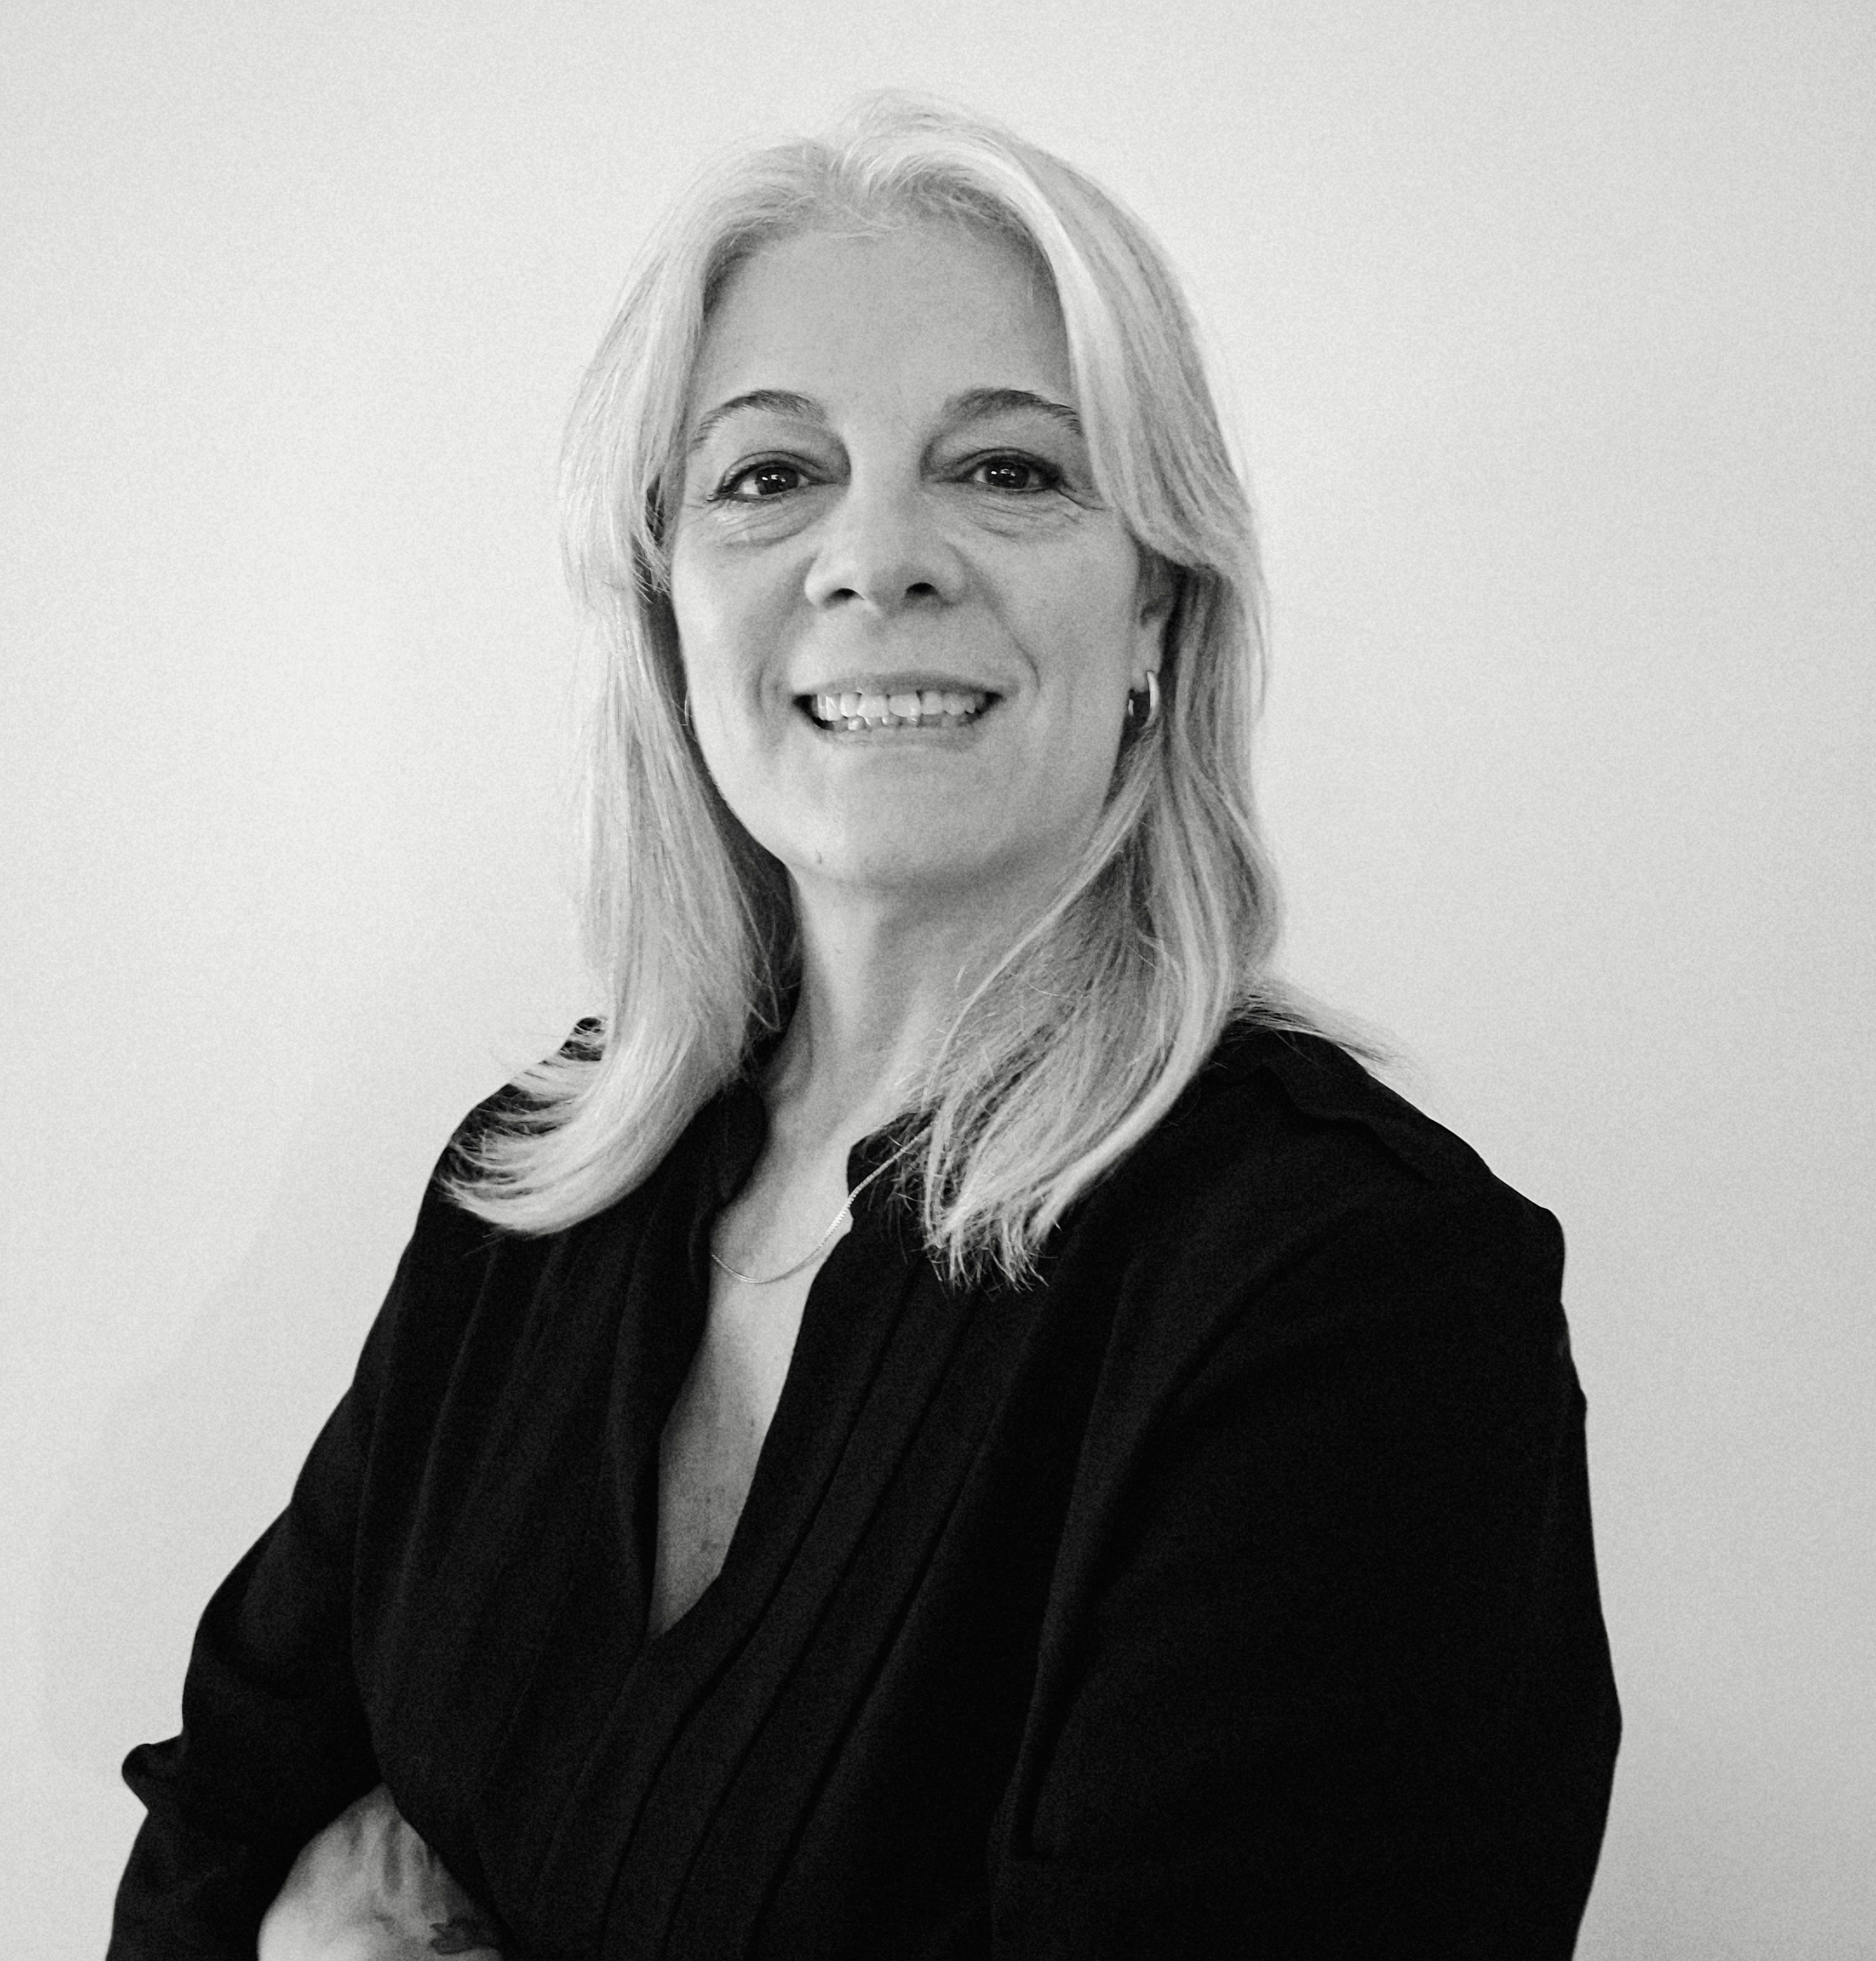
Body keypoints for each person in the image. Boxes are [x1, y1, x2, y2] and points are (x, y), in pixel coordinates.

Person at [110, 96, 1620, 1958]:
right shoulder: (538, 1181)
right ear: (669, 609)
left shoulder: (1356, 1294)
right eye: (769, 476)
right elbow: (218, 1824)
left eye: (1009, 469)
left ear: (1157, 607)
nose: (878, 556)